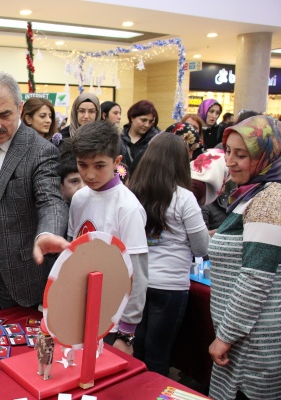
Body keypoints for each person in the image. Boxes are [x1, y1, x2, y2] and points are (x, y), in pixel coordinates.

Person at [0, 71, 68, 315]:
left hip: (20, 272)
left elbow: (50, 200)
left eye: (4, 114)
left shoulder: (40, 151)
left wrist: (48, 232)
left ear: (19, 109)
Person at [208, 115, 281, 400]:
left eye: (241, 155)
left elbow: (255, 278)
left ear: (265, 156)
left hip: (253, 342)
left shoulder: (269, 199)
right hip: (245, 336)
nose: (230, 161)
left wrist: (225, 336)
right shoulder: (254, 193)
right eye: (228, 151)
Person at [128, 134, 209, 376]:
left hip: (136, 282)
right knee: (158, 355)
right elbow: (202, 248)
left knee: (135, 350)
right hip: (170, 285)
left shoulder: (132, 192)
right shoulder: (184, 198)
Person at [68, 120, 149, 355]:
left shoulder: (127, 207)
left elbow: (138, 276)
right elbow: (73, 253)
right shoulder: (79, 198)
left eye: (99, 165)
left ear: (116, 162)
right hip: (80, 311)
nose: (90, 174)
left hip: (113, 320)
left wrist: (126, 333)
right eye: (82, 165)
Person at [120, 100, 159, 178]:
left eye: (150, 121)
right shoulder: (118, 138)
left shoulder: (156, 141)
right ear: (132, 117)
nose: (147, 125)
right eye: (143, 120)